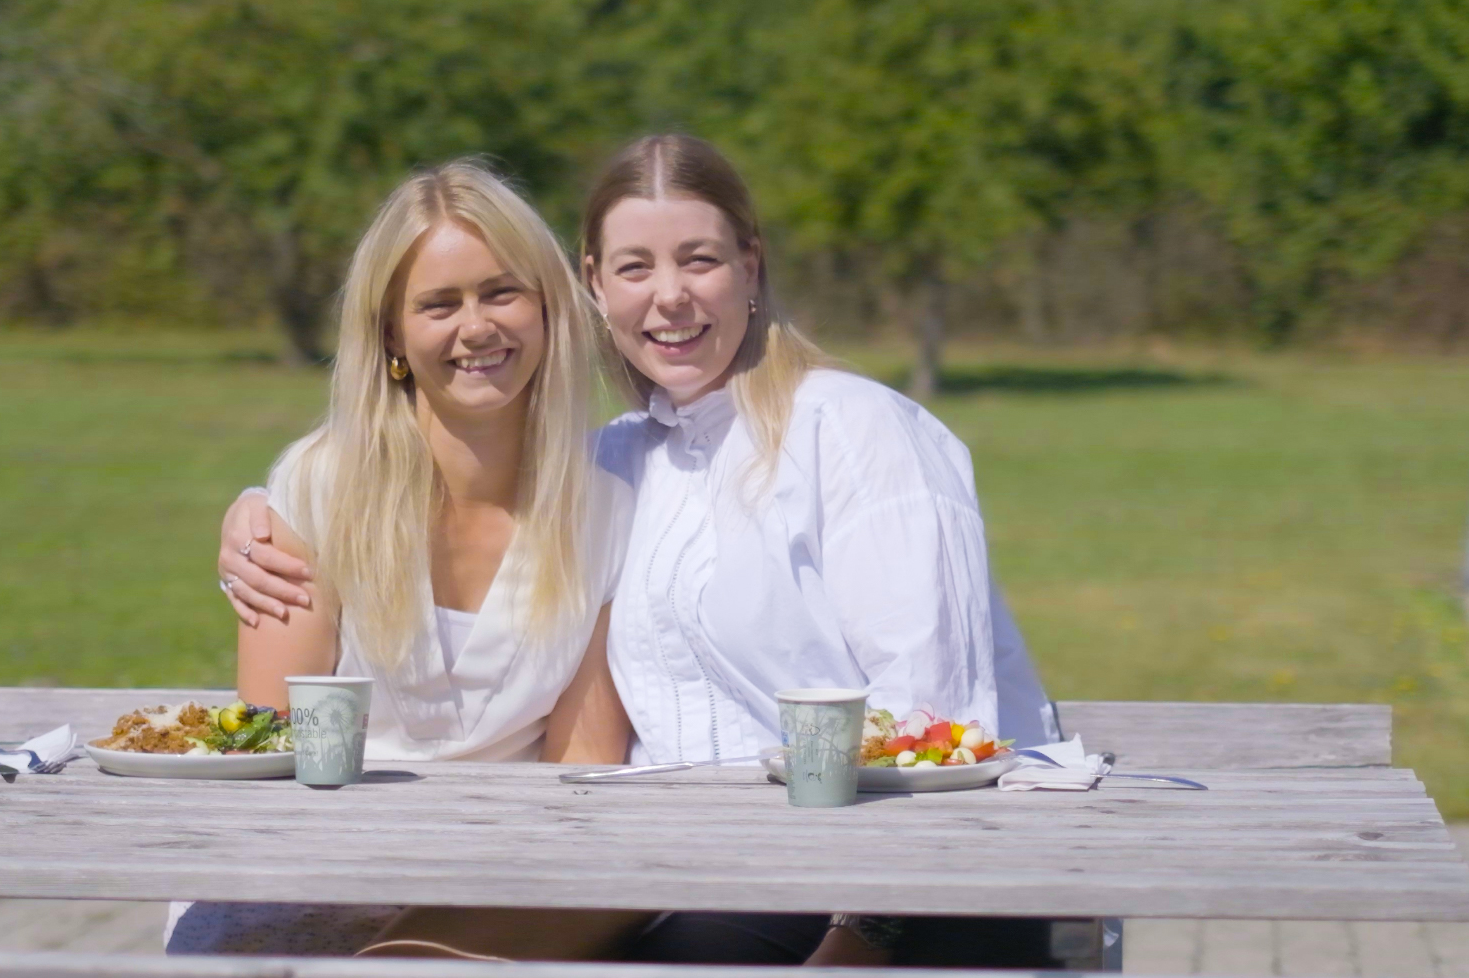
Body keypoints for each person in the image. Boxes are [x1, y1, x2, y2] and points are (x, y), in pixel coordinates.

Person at [217, 135, 1061, 967]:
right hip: (692, 874)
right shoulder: (621, 463)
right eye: (633, 268)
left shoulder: (852, 431)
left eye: (698, 260)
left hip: (881, 885)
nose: (670, 298)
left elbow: (941, 725)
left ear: (751, 266)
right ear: (591, 286)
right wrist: (266, 508)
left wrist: (862, 938)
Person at [175, 159, 648, 960]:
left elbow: (582, 776)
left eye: (502, 292)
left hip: (503, 897)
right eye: (439, 304)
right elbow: (271, 753)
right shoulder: (315, 494)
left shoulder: (605, 512)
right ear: (392, 332)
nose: (476, 328)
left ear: (546, 308)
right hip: (314, 879)